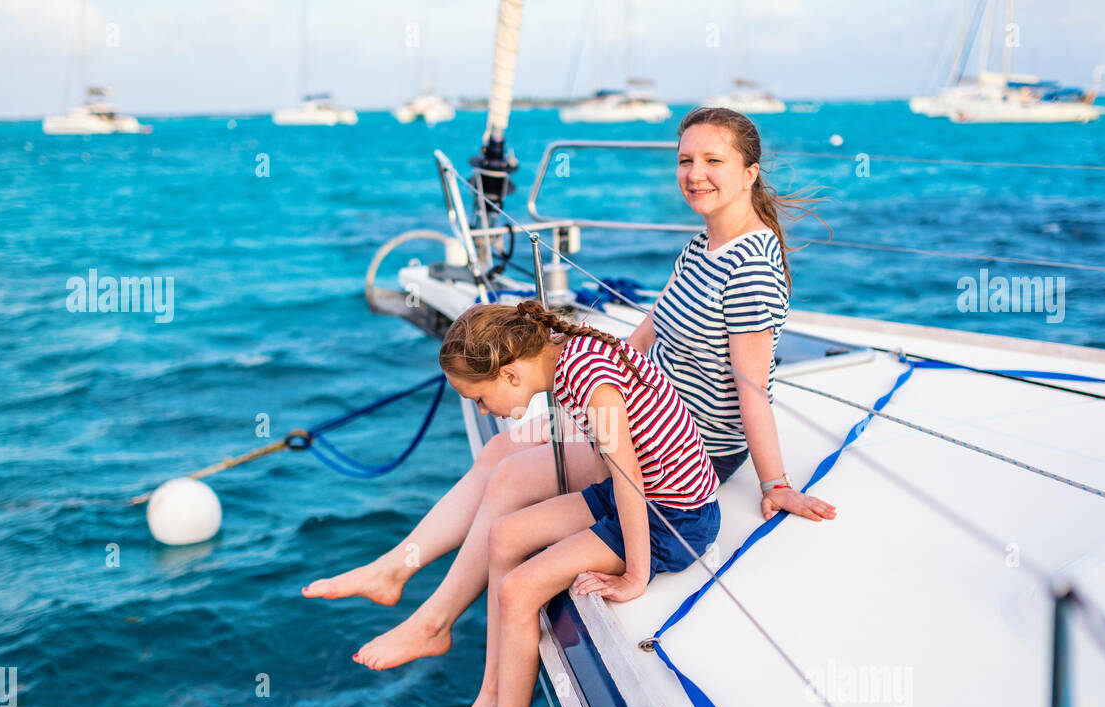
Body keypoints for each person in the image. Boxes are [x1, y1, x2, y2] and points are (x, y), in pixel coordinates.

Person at [302, 106, 834, 673]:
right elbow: (656, 319)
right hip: (644, 404)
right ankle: (397, 568)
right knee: (498, 449)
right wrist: (615, 365)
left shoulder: (750, 268)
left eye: (713, 161)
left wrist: (775, 482)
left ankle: (433, 621)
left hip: (685, 446)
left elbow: (752, 387)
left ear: (750, 172)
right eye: (685, 160)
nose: (694, 173)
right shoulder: (704, 245)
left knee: (508, 475)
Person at [431, 299, 720, 707]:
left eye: (479, 398)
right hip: (640, 494)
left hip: (671, 518)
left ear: (511, 374)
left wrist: (635, 574)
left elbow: (628, 478)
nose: (483, 411)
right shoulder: (567, 352)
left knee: (520, 590)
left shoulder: (587, 378)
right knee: (504, 536)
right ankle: (494, 689)